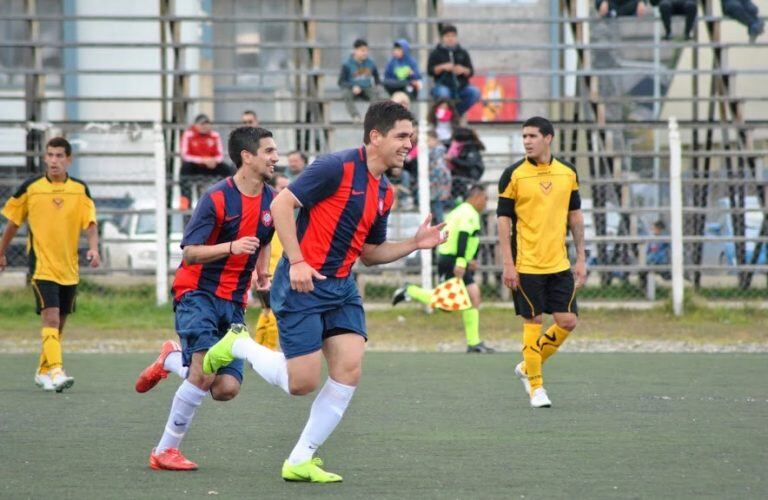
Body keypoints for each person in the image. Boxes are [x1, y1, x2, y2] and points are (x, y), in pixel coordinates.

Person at [202, 101, 446, 483]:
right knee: (302, 383)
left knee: (349, 369)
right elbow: (283, 204)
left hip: (343, 286)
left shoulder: (385, 192)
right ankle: (239, 343)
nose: (408, 144)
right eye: (401, 136)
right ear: (375, 137)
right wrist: (297, 261)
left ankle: (300, 459)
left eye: (411, 137)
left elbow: (370, 254)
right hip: (302, 283)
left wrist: (415, 243)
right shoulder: (335, 167)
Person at [134, 127, 278, 471]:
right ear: (247, 156)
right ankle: (164, 450)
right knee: (202, 374)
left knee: (226, 388)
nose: (275, 157)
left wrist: (263, 273)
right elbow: (192, 253)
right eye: (269, 151)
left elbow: (266, 237)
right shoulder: (216, 198)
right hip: (196, 292)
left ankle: (170, 358)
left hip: (234, 302)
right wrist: (231, 246)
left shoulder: (272, 200)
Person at [496, 116, 586, 408]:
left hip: (559, 264)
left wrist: (581, 257)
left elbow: (575, 216)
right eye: (524, 136)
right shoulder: (513, 175)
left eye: (533, 136)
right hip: (526, 265)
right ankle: (536, 387)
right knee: (533, 322)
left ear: (549, 138)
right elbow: (503, 221)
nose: (527, 141)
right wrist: (508, 264)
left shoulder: (567, 172)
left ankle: (526, 366)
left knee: (568, 321)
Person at [0, 137, 100, 392]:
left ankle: (43, 371)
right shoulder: (31, 187)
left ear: (69, 160)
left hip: (70, 269)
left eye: (59, 156)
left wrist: (94, 249)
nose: (54, 160)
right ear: (45, 158)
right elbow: (12, 223)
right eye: (50, 155)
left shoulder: (79, 189)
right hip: (42, 268)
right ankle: (57, 371)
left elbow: (90, 223)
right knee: (51, 320)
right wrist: (1, 252)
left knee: (59, 325)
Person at [392, 185, 494, 353]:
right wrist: (462, 262)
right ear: (477, 197)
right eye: (485, 199)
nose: (486, 203)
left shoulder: (460, 211)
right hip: (453, 260)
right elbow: (463, 237)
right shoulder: (469, 213)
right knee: (445, 303)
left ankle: (474, 343)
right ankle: (410, 290)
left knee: (473, 296)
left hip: (453, 259)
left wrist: (470, 260)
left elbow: (467, 239)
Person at [253, 173, 290, 350]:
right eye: (282, 188)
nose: (286, 191)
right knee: (275, 313)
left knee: (267, 312)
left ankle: (258, 349)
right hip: (268, 273)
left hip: (278, 273)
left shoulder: (285, 215)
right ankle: (266, 350)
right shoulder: (266, 216)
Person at [180, 114, 232, 207]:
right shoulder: (188, 135)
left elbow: (220, 155)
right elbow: (185, 155)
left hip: (210, 166)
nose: (204, 126)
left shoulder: (214, 135)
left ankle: (229, 198)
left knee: (227, 169)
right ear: (195, 125)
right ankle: (185, 200)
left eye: (206, 123)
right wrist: (202, 160)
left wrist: (213, 161)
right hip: (195, 166)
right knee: (185, 168)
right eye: (201, 124)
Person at [427, 25, 481, 116]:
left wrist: (463, 70)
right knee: (444, 93)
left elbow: (470, 71)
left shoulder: (463, 52)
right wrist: (442, 67)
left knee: (475, 92)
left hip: (461, 87)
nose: (450, 39)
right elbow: (430, 71)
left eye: (453, 36)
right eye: (447, 36)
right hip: (442, 86)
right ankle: (447, 116)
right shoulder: (435, 53)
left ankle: (455, 114)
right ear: (442, 38)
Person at [338, 38, 383, 122]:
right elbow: (341, 81)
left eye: (366, 51)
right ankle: (356, 116)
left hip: (366, 87)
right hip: (352, 88)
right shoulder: (347, 64)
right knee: (345, 94)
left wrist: (378, 85)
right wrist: (352, 86)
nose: (365, 53)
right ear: (355, 50)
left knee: (375, 94)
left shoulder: (371, 63)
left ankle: (372, 118)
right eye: (362, 50)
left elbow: (377, 78)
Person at [445, 127, 485, 200]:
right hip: (457, 175)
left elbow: (469, 164)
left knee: (460, 187)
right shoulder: (454, 146)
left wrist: (452, 159)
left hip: (469, 175)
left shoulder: (471, 148)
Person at [426, 130, 453, 224]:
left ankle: (440, 224)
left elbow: (439, 168)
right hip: (436, 183)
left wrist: (432, 180)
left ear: (435, 140)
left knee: (438, 204)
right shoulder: (434, 151)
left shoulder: (437, 151)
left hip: (438, 183)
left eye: (428, 140)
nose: (427, 143)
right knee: (435, 204)